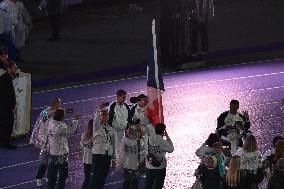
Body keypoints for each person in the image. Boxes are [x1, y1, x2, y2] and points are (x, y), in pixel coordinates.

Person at [30, 98, 62, 187]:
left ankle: (49, 177)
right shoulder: (45, 111)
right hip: (45, 142)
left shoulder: (57, 113)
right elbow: (45, 116)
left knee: (52, 161)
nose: (60, 105)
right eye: (59, 104)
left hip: (53, 141)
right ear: (55, 104)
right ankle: (39, 178)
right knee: (44, 162)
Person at [47, 108, 80, 189]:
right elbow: (71, 130)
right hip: (61, 154)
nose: (64, 117)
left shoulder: (51, 122)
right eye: (64, 116)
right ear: (61, 117)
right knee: (63, 175)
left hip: (53, 152)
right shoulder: (60, 127)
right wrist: (75, 120)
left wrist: (63, 111)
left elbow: (52, 115)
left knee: (52, 175)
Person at [88, 102, 117, 189]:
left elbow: (113, 144)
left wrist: (114, 158)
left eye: (106, 115)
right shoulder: (96, 127)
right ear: (100, 117)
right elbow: (96, 118)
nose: (105, 116)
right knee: (94, 178)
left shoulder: (111, 130)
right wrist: (100, 109)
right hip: (98, 156)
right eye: (103, 115)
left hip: (107, 157)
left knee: (102, 178)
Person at [117, 119, 145, 189]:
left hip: (127, 165)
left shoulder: (125, 140)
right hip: (135, 166)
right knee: (133, 183)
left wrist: (120, 165)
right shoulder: (140, 141)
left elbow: (121, 153)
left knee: (126, 182)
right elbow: (143, 154)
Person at [144, 123, 174, 189]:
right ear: (163, 132)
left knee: (148, 185)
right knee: (158, 186)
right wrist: (168, 138)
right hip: (160, 167)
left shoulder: (148, 139)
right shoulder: (163, 142)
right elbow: (171, 149)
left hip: (149, 166)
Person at [0, 61, 17, 149]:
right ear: (9, 69)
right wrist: (12, 107)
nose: (16, 69)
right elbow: (6, 95)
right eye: (14, 68)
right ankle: (6, 143)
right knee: (7, 124)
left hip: (5, 107)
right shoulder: (5, 79)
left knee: (6, 124)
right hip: (6, 108)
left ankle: (5, 142)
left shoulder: (6, 77)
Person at [80, 119, 93, 189]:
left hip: (85, 160)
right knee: (91, 179)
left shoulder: (83, 135)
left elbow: (81, 145)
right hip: (93, 161)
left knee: (87, 178)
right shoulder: (96, 138)